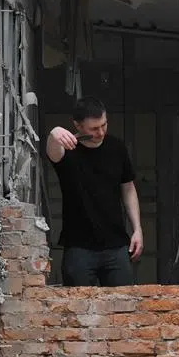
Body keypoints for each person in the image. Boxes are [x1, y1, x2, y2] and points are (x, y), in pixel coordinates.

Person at [47, 97, 143, 286]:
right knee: (78, 309)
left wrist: (137, 229)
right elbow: (53, 152)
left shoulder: (117, 147)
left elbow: (128, 188)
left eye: (104, 125)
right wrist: (54, 134)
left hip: (116, 246)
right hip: (79, 247)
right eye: (94, 128)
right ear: (78, 125)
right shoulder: (68, 151)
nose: (100, 132)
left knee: (124, 307)